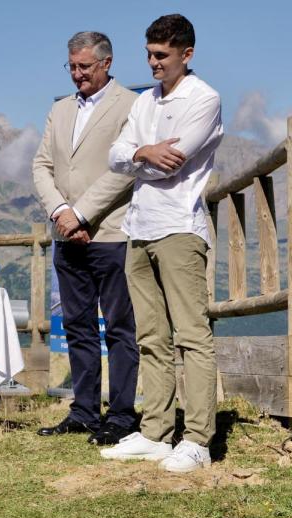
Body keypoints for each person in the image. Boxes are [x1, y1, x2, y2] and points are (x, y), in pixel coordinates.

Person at [100, 14, 223, 473]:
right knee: (150, 335)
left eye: (161, 56)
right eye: (149, 54)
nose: (152, 63)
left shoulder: (204, 99)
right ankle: (155, 431)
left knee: (192, 335)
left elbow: (172, 163)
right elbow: (116, 157)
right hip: (139, 228)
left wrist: (143, 156)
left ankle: (197, 439)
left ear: (186, 54)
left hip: (179, 227)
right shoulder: (145, 101)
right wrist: (140, 152)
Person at [32, 31, 140, 446]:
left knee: (119, 328)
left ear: (107, 63)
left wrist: (81, 213)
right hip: (66, 237)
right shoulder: (58, 110)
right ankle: (83, 412)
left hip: (111, 233)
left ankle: (123, 415)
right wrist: (60, 211)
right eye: (72, 67)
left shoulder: (131, 105)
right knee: (77, 325)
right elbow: (42, 164)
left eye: (85, 67)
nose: (77, 74)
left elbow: (125, 169)